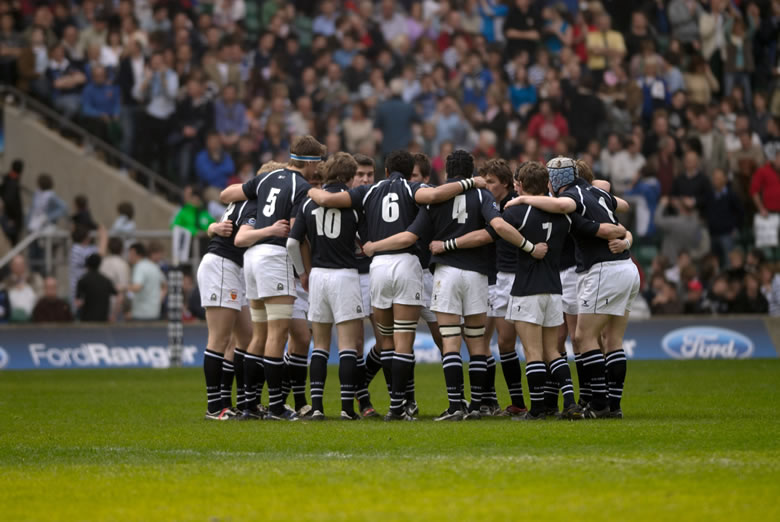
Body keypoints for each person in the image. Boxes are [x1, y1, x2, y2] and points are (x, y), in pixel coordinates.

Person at [363, 150, 547, 421]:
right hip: (477, 275)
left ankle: (455, 406)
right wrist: (529, 247)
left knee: (450, 341)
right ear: (472, 170)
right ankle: (477, 404)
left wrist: (375, 247)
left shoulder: (438, 198)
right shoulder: (483, 195)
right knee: (476, 343)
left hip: (446, 274)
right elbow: (497, 226)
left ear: (447, 172)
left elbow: (411, 235)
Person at [307, 149, 486, 421]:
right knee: (405, 341)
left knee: (386, 340)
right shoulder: (414, 188)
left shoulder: (368, 191)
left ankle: (387, 402)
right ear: (410, 170)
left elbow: (327, 199)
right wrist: (472, 182)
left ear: (386, 171)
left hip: (377, 266)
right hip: (408, 265)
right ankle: (399, 407)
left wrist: (310, 192)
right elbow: (436, 196)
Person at [507, 157, 639, 419]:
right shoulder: (598, 192)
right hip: (627, 267)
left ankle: (597, 404)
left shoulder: (572, 197)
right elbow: (621, 206)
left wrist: (523, 199)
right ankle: (612, 406)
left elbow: (564, 204)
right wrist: (626, 239)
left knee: (582, 339)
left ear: (555, 180)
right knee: (611, 340)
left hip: (602, 270)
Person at [224, 136, 325, 421]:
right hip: (274, 258)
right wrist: (303, 273)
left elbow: (225, 195)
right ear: (310, 162)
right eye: (318, 161)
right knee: (276, 336)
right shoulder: (302, 187)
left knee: (259, 336)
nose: (319, 168)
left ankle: (249, 405)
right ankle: (278, 407)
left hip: (252, 259)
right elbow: (294, 235)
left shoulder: (267, 178)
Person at [286, 153, 365, 420]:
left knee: (319, 345)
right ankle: (346, 408)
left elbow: (291, 243)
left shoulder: (309, 204)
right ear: (350, 177)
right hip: (345, 275)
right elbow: (363, 243)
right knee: (347, 346)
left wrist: (302, 273)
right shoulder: (354, 203)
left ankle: (317, 407)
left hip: (318, 275)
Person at [197, 182, 266, 420]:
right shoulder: (255, 206)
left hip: (232, 269)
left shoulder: (243, 202)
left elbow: (217, 224)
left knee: (245, 337)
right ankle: (215, 407)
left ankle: (230, 402)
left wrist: (213, 227)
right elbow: (240, 238)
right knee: (219, 339)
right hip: (222, 265)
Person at [351, 153, 381, 418]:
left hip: (375, 274)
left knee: (385, 341)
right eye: (360, 174)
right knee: (356, 343)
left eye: (369, 175)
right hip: (348, 276)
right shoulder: (339, 202)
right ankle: (363, 400)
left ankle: (358, 384)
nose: (365, 179)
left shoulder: (378, 202)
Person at [127, 242, 166, 320]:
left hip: (141, 313)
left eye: (131, 254)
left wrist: (123, 287)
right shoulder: (155, 267)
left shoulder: (140, 267)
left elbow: (137, 287)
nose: (129, 257)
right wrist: (157, 301)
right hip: (154, 311)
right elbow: (165, 286)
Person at [76, 253, 116, 322]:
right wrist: (113, 314)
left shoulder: (83, 280)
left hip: (87, 318)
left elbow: (78, 302)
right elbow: (116, 295)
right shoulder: (106, 280)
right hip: (103, 317)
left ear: (87, 265)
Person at [0, 159, 23, 245]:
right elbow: (10, 200)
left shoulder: (7, 179)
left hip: (8, 217)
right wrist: (13, 218)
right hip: (11, 219)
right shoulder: (12, 182)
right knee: (13, 244)